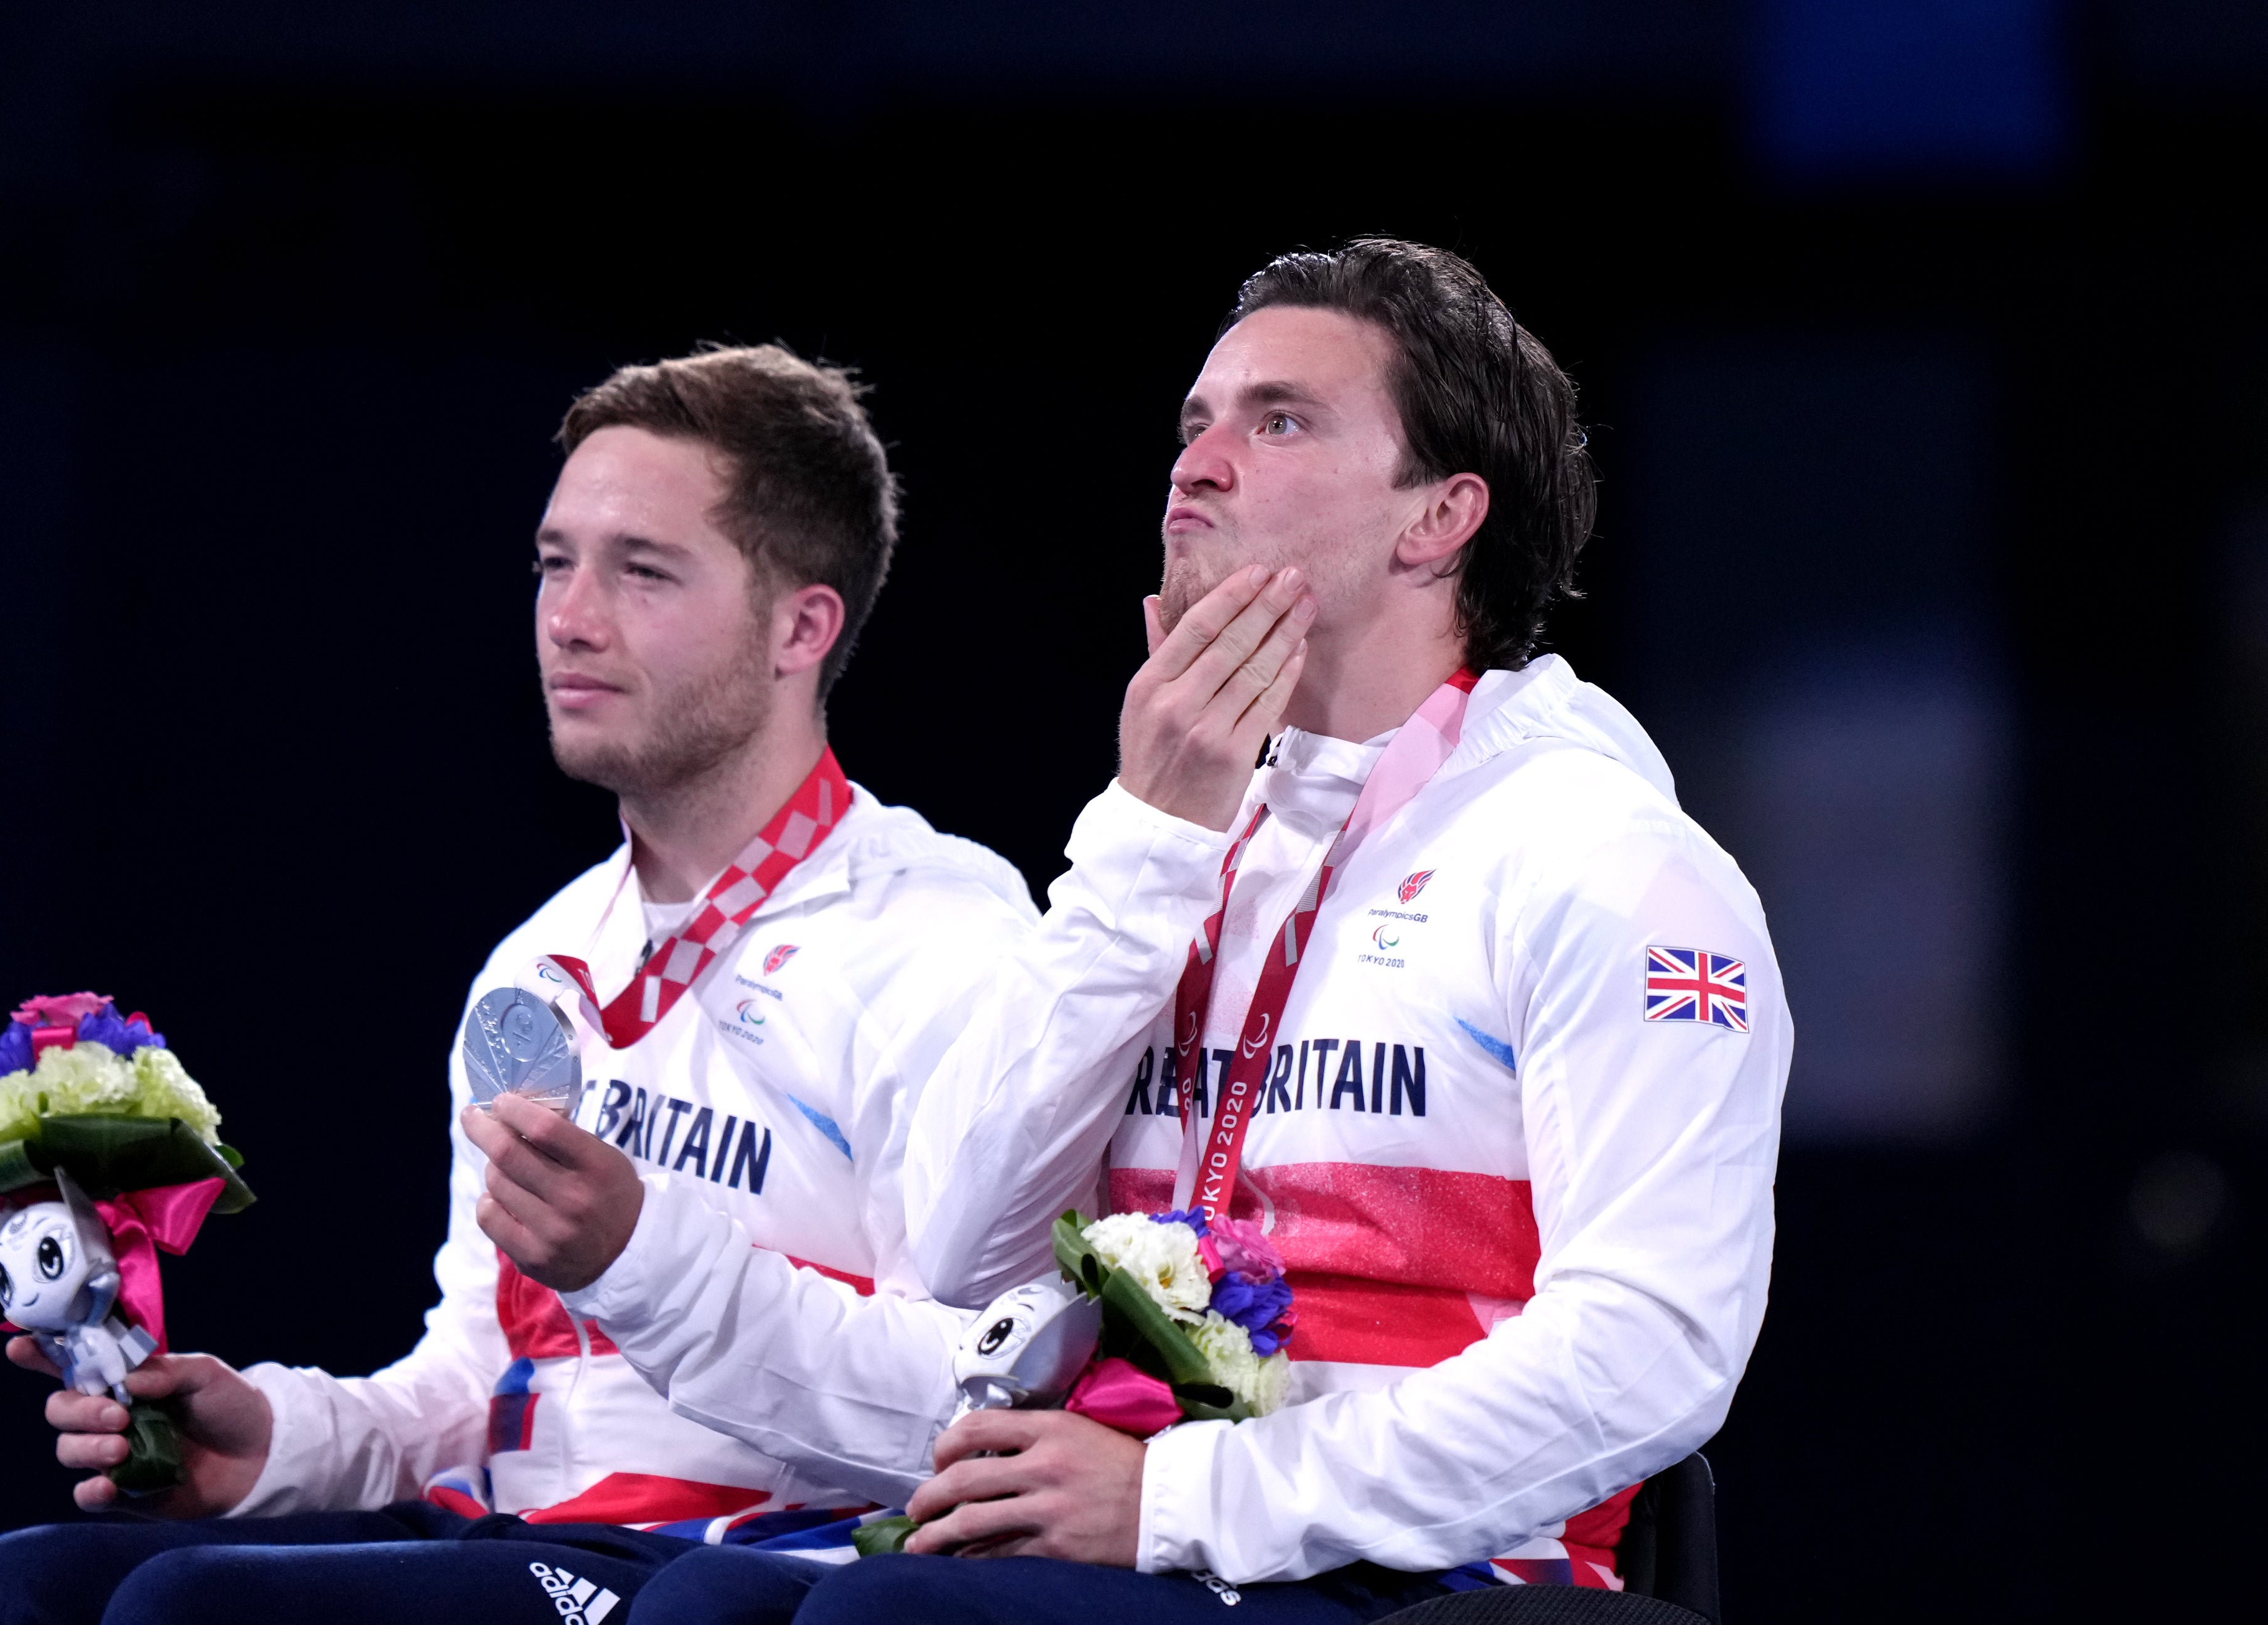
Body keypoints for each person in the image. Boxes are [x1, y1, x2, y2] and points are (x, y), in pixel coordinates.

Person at [633, 240, 1791, 1625]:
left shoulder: (1606, 865)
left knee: (888, 1622)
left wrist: (1185, 1502)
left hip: (1425, 1575)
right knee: (710, 1608)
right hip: (1165, 1538)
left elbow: (1654, 1348)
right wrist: (1146, 834)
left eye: (1278, 420)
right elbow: (957, 1254)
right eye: (1195, 422)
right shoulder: (1186, 847)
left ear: (1437, 520)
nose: (1197, 463)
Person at [0, 344, 1054, 1625]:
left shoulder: (944, 944)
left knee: (192, 1610)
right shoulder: (544, 955)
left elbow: (970, 1402)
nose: (571, 616)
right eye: (555, 561)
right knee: (17, 1585)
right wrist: (276, 1439)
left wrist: (640, 1257)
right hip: (513, 1528)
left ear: (802, 625)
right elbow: (479, 1374)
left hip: (755, 1553)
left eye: (641, 570)